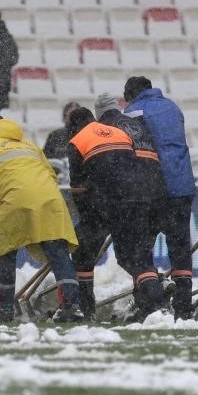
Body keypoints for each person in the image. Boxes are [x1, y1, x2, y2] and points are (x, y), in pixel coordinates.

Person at [0, 112, 81, 324]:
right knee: (58, 254)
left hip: (16, 200)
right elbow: (50, 173)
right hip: (50, 200)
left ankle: (4, 308)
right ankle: (71, 305)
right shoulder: (29, 144)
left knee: (4, 251)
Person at [67, 106, 167, 321]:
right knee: (135, 255)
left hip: (107, 203)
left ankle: (86, 309)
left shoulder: (77, 141)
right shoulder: (119, 132)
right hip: (139, 199)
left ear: (73, 126)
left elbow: (78, 190)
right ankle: (159, 301)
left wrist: (89, 217)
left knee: (83, 251)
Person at [123, 76, 196, 319]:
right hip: (183, 184)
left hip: (154, 187)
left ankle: (151, 301)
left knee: (141, 248)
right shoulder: (172, 107)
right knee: (180, 248)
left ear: (131, 95)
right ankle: (184, 305)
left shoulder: (134, 111)